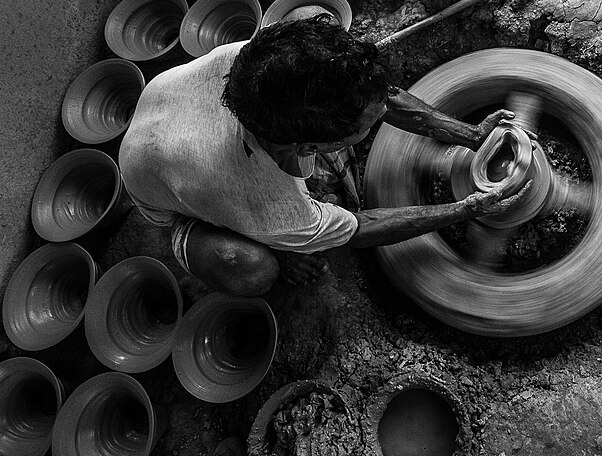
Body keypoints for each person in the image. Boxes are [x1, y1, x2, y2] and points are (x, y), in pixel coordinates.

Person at [118, 15, 525, 297]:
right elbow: (361, 228)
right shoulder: (273, 204)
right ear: (313, 147)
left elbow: (376, 93)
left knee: (314, 22)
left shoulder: (255, 63)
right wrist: (466, 207)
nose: (382, 113)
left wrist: (471, 135)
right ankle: (266, 245)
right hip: (170, 198)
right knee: (252, 268)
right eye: (368, 123)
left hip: (172, 123)